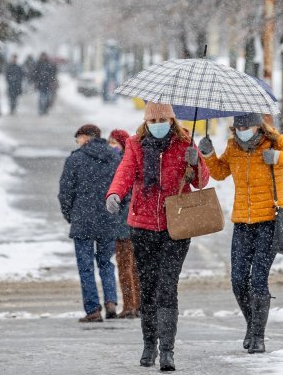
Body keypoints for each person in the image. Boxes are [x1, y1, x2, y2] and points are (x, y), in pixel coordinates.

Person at [198, 114, 283, 354]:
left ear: (257, 126)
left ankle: (258, 337)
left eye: (246, 126)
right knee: (238, 280)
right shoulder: (233, 146)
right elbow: (220, 173)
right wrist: (208, 155)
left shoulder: (275, 142)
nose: (241, 130)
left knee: (258, 279)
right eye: (237, 126)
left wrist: (279, 157)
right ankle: (253, 325)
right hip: (242, 221)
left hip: (270, 221)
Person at [105, 102, 209, 371]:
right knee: (148, 288)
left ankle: (167, 351)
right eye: (154, 120)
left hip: (176, 226)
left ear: (172, 120)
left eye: (164, 118)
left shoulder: (185, 142)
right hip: (142, 225)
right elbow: (125, 172)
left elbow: (201, 181)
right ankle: (149, 344)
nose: (159, 123)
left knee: (167, 287)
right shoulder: (135, 144)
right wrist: (115, 193)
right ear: (146, 122)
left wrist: (196, 162)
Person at [58, 124, 122, 323]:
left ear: (85, 138)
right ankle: (111, 302)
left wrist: (71, 215)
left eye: (78, 139)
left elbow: (65, 193)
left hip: (83, 220)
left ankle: (93, 309)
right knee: (106, 263)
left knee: (86, 266)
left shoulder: (75, 159)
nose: (78, 142)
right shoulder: (113, 158)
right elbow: (123, 187)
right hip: (108, 218)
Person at [108, 129, 140, 319]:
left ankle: (130, 305)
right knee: (135, 265)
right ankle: (138, 303)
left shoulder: (120, 163)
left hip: (124, 222)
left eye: (114, 142)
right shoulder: (129, 160)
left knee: (125, 264)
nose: (111, 145)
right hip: (133, 220)